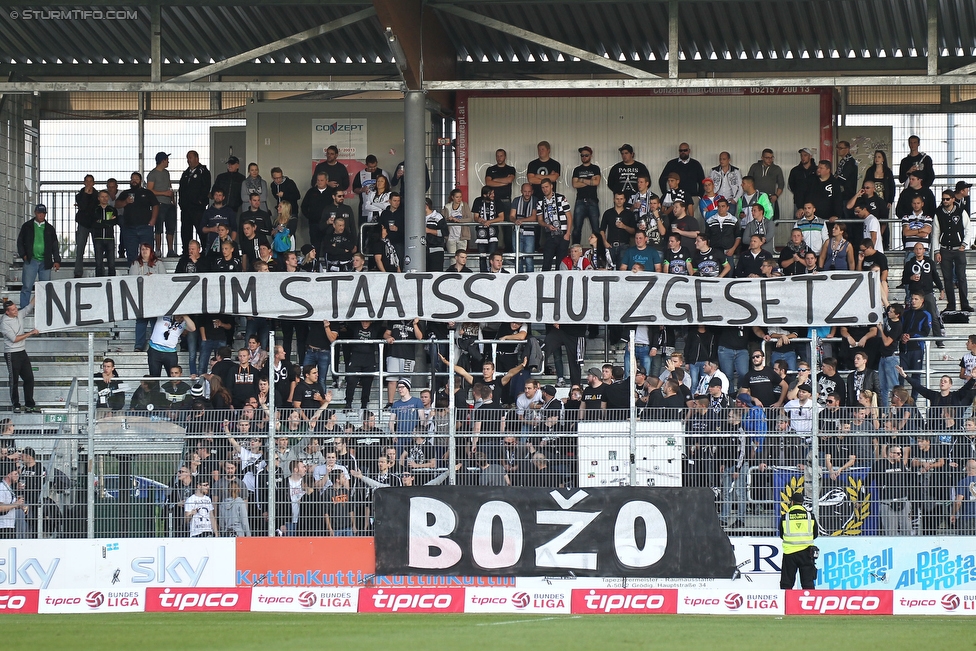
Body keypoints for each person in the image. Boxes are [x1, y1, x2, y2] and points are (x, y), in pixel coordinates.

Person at [933, 189, 972, 312]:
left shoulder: (961, 211)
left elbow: (969, 229)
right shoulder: (938, 213)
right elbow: (935, 233)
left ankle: (964, 304)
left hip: (959, 250)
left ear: (953, 199)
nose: (945, 201)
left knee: (961, 277)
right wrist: (936, 251)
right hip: (945, 249)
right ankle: (951, 305)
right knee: (947, 278)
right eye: (943, 199)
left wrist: (964, 243)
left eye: (947, 199)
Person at [17, 204, 61, 308]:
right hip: (31, 260)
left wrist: (57, 260)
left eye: (43, 213)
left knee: (44, 287)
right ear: (35, 213)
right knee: (27, 286)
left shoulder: (50, 228)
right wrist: (23, 255)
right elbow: (20, 242)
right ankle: (24, 309)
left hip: (45, 262)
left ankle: (43, 310)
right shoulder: (27, 226)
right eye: (39, 213)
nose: (41, 215)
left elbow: (55, 245)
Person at [1, 299, 39, 413]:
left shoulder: (19, 314)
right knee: (14, 380)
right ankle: (16, 404)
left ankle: (29, 404)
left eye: (15, 308)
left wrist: (39, 290)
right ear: (7, 312)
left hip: (22, 352)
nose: (16, 310)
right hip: (11, 353)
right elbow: (15, 339)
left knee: (29, 378)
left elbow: (30, 306)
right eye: (13, 310)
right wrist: (31, 333)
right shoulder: (4, 323)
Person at [130, 243, 167, 352]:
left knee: (155, 322)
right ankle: (139, 345)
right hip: (141, 298)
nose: (144, 251)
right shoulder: (135, 264)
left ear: (151, 251)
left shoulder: (158, 263)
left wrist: (154, 277)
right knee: (141, 322)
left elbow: (164, 279)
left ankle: (155, 345)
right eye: (142, 249)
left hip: (155, 298)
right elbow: (131, 281)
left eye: (146, 249)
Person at [117, 172, 159, 264]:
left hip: (145, 227)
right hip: (129, 228)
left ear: (140, 181)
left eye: (136, 178)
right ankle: (133, 275)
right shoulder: (125, 193)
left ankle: (149, 273)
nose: (134, 180)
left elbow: (156, 205)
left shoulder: (147, 193)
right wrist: (126, 202)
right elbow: (117, 204)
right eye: (132, 179)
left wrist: (153, 220)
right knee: (131, 255)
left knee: (147, 253)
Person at [779, 490, 818, 589]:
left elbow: (781, 535)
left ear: (792, 502)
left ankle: (786, 603)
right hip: (807, 552)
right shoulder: (810, 516)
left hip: (790, 553)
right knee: (808, 583)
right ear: (802, 502)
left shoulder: (785, 517)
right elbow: (815, 534)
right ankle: (809, 603)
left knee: (786, 583)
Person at [178, 150, 212, 253]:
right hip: (186, 208)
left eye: (190, 158)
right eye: (187, 158)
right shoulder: (185, 173)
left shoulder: (203, 171)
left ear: (197, 158)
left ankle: (205, 251)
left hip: (198, 208)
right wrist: (181, 203)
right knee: (185, 231)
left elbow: (206, 188)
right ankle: (186, 252)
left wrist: (200, 201)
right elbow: (181, 189)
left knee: (201, 230)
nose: (188, 160)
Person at [536, 177, 573, 271]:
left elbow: (569, 216)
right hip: (550, 236)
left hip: (563, 234)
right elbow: (540, 220)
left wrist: (568, 234)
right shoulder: (540, 202)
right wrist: (547, 225)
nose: (545, 189)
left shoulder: (561, 198)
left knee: (560, 263)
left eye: (546, 187)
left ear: (551, 186)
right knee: (546, 261)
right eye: (543, 187)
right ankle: (545, 284)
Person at [659, 142, 705, 214]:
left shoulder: (696, 164)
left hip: (692, 196)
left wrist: (699, 196)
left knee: (688, 218)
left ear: (689, 151)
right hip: (676, 197)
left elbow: (702, 181)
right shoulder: (671, 164)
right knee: (675, 217)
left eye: (685, 150)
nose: (683, 152)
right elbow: (662, 179)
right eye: (681, 150)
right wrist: (666, 194)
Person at [147, 152, 177, 257]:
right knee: (158, 228)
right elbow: (149, 190)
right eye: (167, 160)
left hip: (169, 204)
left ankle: (170, 250)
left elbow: (169, 186)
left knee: (171, 228)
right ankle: (158, 250)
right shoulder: (152, 174)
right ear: (163, 160)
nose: (168, 162)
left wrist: (172, 199)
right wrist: (164, 193)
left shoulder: (166, 173)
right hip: (158, 204)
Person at [570, 145, 602, 244]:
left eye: (586, 155)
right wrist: (589, 181)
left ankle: (597, 251)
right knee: (576, 229)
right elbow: (575, 184)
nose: (584, 157)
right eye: (582, 155)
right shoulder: (577, 169)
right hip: (580, 201)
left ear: (590, 156)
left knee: (596, 229)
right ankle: (575, 249)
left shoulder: (595, 168)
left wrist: (581, 180)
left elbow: (596, 182)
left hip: (592, 201)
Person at [747, 149, 786, 220]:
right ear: (762, 158)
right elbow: (749, 182)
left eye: (771, 157)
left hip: (770, 198)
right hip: (756, 198)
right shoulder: (755, 167)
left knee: (769, 219)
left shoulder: (776, 169)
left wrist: (776, 196)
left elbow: (781, 184)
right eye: (767, 158)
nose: (770, 160)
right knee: (754, 218)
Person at [509, 183, 539, 272]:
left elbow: (534, 217)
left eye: (529, 191)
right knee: (518, 257)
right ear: (521, 191)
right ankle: (518, 279)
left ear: (532, 192)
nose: (527, 193)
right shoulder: (516, 200)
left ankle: (530, 280)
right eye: (525, 191)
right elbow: (511, 216)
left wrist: (520, 220)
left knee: (529, 258)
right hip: (517, 232)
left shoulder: (535, 200)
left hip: (530, 233)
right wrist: (515, 221)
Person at [73, 174, 98, 277]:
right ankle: (78, 271)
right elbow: (82, 206)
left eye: (90, 181)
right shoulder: (79, 195)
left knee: (98, 248)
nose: (88, 183)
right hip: (83, 223)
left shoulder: (97, 194)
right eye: (87, 181)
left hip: (94, 223)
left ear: (93, 183)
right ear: (84, 182)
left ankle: (99, 270)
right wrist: (86, 195)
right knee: (80, 248)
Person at [91, 190, 120, 277]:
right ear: (98, 198)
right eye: (102, 197)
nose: (104, 199)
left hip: (110, 239)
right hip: (98, 239)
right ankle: (99, 282)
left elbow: (114, 222)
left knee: (111, 263)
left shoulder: (112, 209)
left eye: (106, 197)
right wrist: (107, 222)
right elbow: (94, 223)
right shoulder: (95, 210)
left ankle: (112, 282)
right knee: (99, 263)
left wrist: (101, 222)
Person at [788, 147, 818, 218]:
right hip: (799, 203)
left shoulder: (817, 170)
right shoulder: (795, 171)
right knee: (798, 225)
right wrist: (799, 193)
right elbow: (791, 185)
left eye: (805, 155)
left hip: (814, 203)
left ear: (810, 156)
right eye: (801, 155)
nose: (803, 157)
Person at [949, 460, 976, 535]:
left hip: (967, 518)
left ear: (967, 468)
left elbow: (958, 502)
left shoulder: (963, 482)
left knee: (966, 543)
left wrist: (953, 514)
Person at [443, 188, 469, 258]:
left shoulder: (465, 205)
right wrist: (449, 219)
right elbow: (442, 219)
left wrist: (459, 220)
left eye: (460, 197)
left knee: (462, 257)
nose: (459, 199)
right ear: (452, 197)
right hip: (450, 236)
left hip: (462, 236)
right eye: (457, 197)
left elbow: (470, 218)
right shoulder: (447, 207)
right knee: (453, 258)